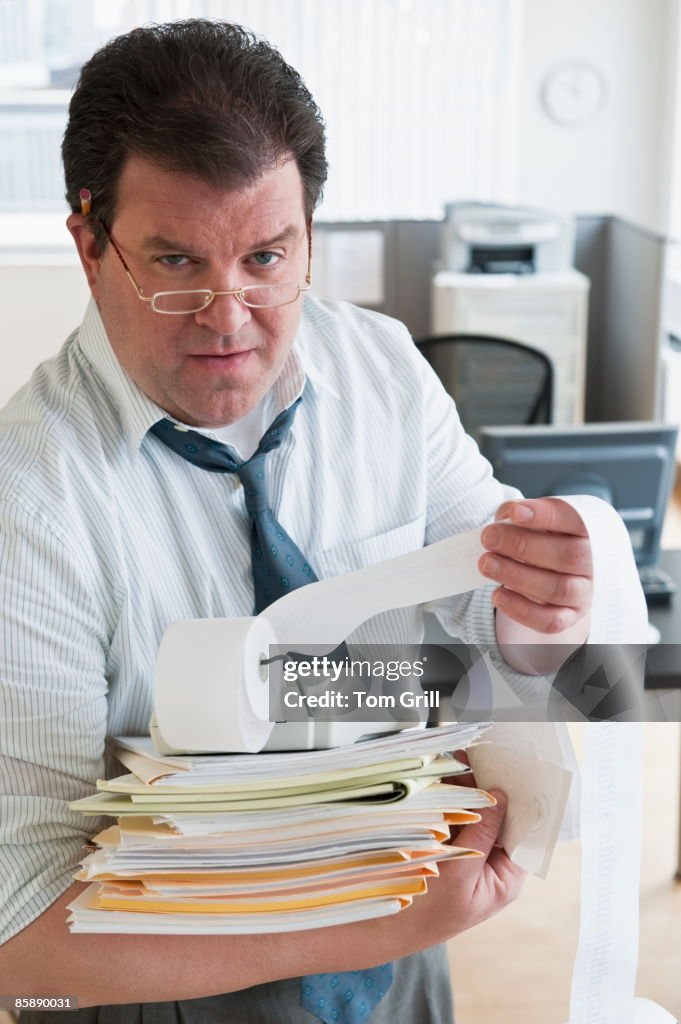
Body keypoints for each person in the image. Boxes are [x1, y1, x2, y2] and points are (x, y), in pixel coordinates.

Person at [0, 19, 594, 1023]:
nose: (228, 317)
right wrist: (382, 924)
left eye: (269, 257)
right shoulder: (30, 496)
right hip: (158, 991)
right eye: (176, 262)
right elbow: (19, 929)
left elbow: (487, 637)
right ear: (89, 245)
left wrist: (548, 609)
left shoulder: (386, 373)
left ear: (313, 232)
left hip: (404, 947)